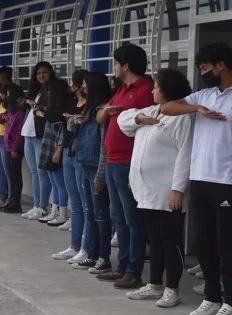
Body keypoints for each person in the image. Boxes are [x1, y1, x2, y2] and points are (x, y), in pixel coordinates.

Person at [161, 42, 232, 315]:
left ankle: (228, 300)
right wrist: (197, 109)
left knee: (227, 245)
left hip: (226, 181)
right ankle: (212, 297)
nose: (202, 71)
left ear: (220, 65)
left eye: (205, 66)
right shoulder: (204, 95)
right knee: (205, 243)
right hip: (200, 179)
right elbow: (167, 108)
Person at [118, 68, 193, 308]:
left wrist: (178, 190)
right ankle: (155, 284)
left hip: (167, 192)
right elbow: (123, 120)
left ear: (168, 90)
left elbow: (185, 154)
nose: (152, 90)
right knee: (156, 240)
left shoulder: (181, 117)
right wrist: (139, 119)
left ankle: (173, 289)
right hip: (146, 191)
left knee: (171, 242)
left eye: (156, 87)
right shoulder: (152, 111)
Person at [96, 43, 152, 289]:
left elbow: (150, 126)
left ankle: (134, 270)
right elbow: (101, 118)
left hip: (130, 162)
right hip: (112, 160)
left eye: (117, 63)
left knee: (133, 219)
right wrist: (105, 111)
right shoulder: (120, 90)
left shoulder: (145, 89)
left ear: (126, 66)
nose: (115, 68)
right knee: (119, 218)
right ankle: (123, 267)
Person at [69, 72, 112, 273]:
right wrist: (77, 119)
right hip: (82, 162)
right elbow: (71, 125)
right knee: (90, 213)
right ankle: (91, 253)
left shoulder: (104, 110)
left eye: (86, 85)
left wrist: (101, 175)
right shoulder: (89, 107)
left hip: (96, 167)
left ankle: (103, 257)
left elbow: (105, 146)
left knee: (101, 215)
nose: (83, 88)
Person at [52, 69, 88, 260]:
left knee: (85, 203)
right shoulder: (71, 103)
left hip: (82, 155)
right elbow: (52, 115)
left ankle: (86, 247)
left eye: (73, 82)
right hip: (68, 152)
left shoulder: (89, 106)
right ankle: (74, 245)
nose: (70, 85)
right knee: (75, 202)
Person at [21, 62, 56, 220]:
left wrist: (38, 107)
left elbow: (51, 111)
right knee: (34, 171)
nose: (41, 76)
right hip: (29, 133)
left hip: (41, 135)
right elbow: (20, 101)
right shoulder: (37, 90)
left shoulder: (53, 90)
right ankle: (36, 205)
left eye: (45, 73)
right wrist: (28, 102)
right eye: (38, 73)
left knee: (42, 172)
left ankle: (43, 206)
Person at [37, 79, 70, 224]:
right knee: (53, 181)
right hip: (48, 145)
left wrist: (59, 150)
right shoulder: (50, 109)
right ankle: (54, 210)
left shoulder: (63, 111)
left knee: (60, 183)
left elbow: (64, 132)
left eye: (50, 91)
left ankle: (62, 213)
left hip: (56, 147)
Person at [0, 83, 26, 213]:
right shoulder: (11, 110)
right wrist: (4, 116)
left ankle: (16, 202)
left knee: (15, 176)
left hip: (15, 148)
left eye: (8, 94)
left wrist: (15, 148)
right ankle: (11, 199)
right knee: (11, 174)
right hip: (8, 146)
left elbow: (19, 132)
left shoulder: (20, 112)